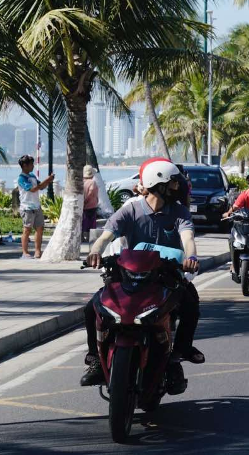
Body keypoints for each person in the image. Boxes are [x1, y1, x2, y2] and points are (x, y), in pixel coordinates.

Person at [80, 159, 201, 393]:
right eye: (174, 183)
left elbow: (188, 238)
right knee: (92, 308)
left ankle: (177, 356)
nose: (178, 187)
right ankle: (95, 359)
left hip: (165, 276)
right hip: (129, 275)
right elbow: (106, 236)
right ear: (160, 184)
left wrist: (191, 257)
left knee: (190, 304)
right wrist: (95, 252)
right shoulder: (131, 210)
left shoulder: (178, 212)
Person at [17, 155, 54, 259]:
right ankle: (25, 252)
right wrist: (47, 180)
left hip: (36, 206)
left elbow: (40, 187)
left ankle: (38, 251)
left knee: (40, 229)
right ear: (24, 165)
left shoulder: (32, 176)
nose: (33, 166)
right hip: (27, 208)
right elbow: (33, 189)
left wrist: (48, 181)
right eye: (31, 164)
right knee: (27, 229)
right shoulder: (21, 178)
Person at [82, 165, 99, 242]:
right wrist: (86, 201)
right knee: (91, 223)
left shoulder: (81, 182)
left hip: (83, 206)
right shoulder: (92, 182)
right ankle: (89, 238)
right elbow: (91, 193)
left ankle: (82, 237)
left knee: (83, 221)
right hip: (91, 205)